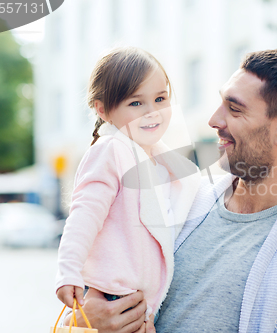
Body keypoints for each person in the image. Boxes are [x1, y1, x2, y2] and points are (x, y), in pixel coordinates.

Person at [74, 49, 277, 333]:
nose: (214, 120)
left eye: (234, 109)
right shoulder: (182, 198)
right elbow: (102, 283)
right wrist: (82, 323)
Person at [55, 47, 200, 328]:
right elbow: (84, 213)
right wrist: (68, 271)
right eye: (136, 103)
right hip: (111, 294)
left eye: (160, 99)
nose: (152, 112)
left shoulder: (156, 159)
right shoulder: (110, 150)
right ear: (103, 109)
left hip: (140, 301)